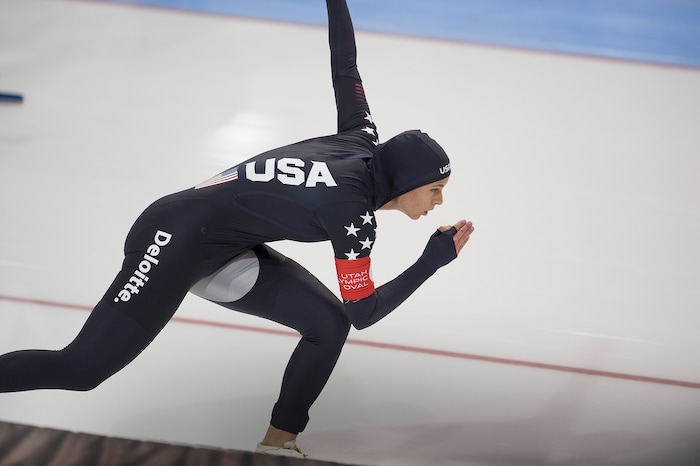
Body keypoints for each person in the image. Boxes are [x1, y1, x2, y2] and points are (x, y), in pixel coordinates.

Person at [0, 0, 474, 459]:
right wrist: (431, 262)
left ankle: (277, 444)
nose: (439, 201)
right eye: (435, 189)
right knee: (81, 368)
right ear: (406, 183)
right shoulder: (353, 215)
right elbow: (365, 312)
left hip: (224, 244)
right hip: (171, 238)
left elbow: (345, 66)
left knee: (326, 325)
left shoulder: (362, 137)